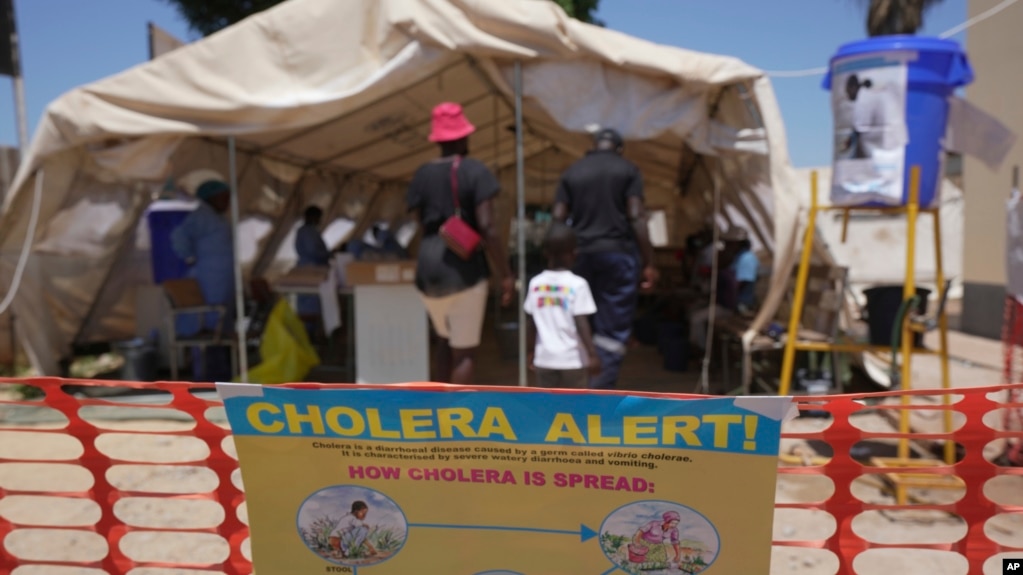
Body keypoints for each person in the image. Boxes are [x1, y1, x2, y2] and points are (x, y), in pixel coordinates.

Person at [406, 102, 514, 384]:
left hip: (427, 271)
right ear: (464, 136)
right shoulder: (475, 171)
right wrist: (506, 273)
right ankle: (455, 420)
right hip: (463, 270)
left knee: (443, 340)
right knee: (464, 353)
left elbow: (419, 220)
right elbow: (488, 226)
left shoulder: (421, 174)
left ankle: (438, 413)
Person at [552, 127, 659, 389]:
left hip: (578, 258)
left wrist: (556, 263)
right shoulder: (628, 170)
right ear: (619, 148)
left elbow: (557, 219)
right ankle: (599, 394)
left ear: (594, 145)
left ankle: (573, 388)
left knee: (577, 320)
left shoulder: (572, 172)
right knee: (611, 329)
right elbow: (635, 216)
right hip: (617, 257)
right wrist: (649, 262)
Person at [170, 179, 236, 381]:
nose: (227, 203)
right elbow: (178, 237)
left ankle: (221, 374)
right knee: (206, 325)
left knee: (221, 327)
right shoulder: (201, 216)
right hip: (209, 278)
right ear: (211, 198)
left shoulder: (218, 218)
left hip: (223, 279)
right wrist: (190, 256)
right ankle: (205, 377)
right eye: (223, 198)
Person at [524, 223, 600, 389]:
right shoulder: (578, 285)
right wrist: (592, 354)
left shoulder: (535, 284)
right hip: (573, 360)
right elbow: (581, 322)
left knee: (547, 407)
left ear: (545, 253)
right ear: (575, 253)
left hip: (544, 358)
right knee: (575, 407)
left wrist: (530, 351)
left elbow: (531, 323)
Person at [688, 226, 760, 351]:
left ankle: (701, 350)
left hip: (738, 306)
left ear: (736, 243)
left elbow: (737, 287)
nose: (725, 246)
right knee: (693, 309)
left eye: (728, 243)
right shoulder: (737, 257)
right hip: (727, 302)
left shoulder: (747, 259)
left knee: (696, 318)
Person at [294, 205, 331, 323]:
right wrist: (327, 254)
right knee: (310, 304)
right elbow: (313, 251)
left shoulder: (308, 231)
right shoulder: (307, 232)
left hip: (311, 271)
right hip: (310, 271)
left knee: (310, 303)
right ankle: (309, 331)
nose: (319, 220)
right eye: (318, 217)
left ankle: (310, 330)